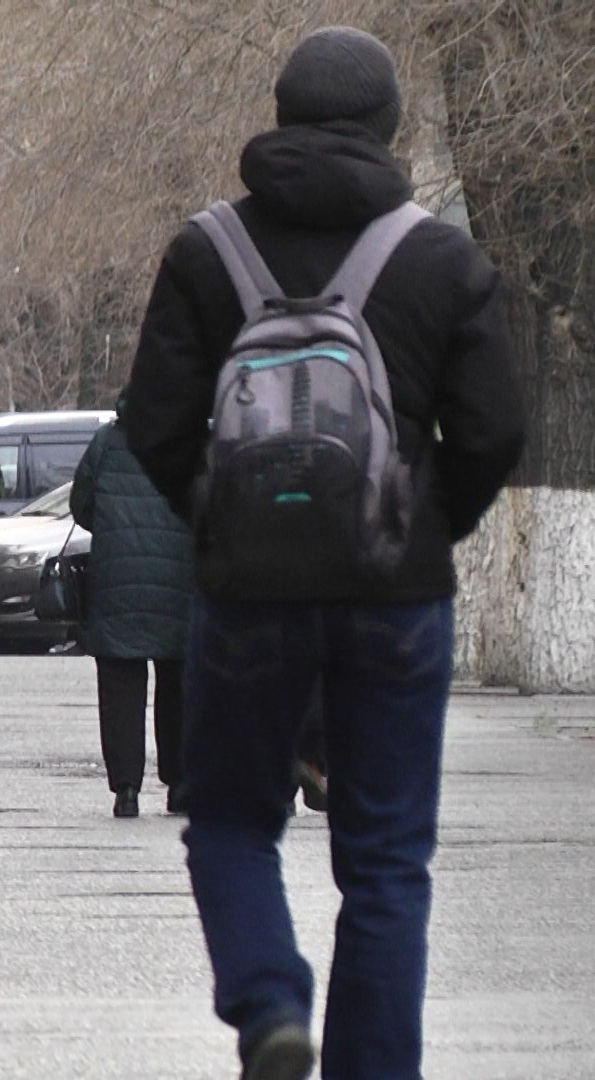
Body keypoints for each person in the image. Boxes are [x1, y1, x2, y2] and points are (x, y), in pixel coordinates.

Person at [123, 28, 526, 1079]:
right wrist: (422, 527)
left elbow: (155, 424)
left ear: (282, 114)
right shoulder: (438, 257)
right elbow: (493, 431)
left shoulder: (208, 251)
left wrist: (224, 523)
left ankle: (269, 1009)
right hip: (397, 597)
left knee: (230, 821)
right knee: (389, 860)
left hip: (248, 593)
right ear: (390, 126)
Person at [68, 395, 194, 819]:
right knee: (177, 683)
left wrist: (112, 528)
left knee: (121, 687)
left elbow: (80, 504)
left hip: (116, 581)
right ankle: (179, 784)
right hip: (178, 580)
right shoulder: (192, 442)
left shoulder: (107, 441)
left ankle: (126, 789)